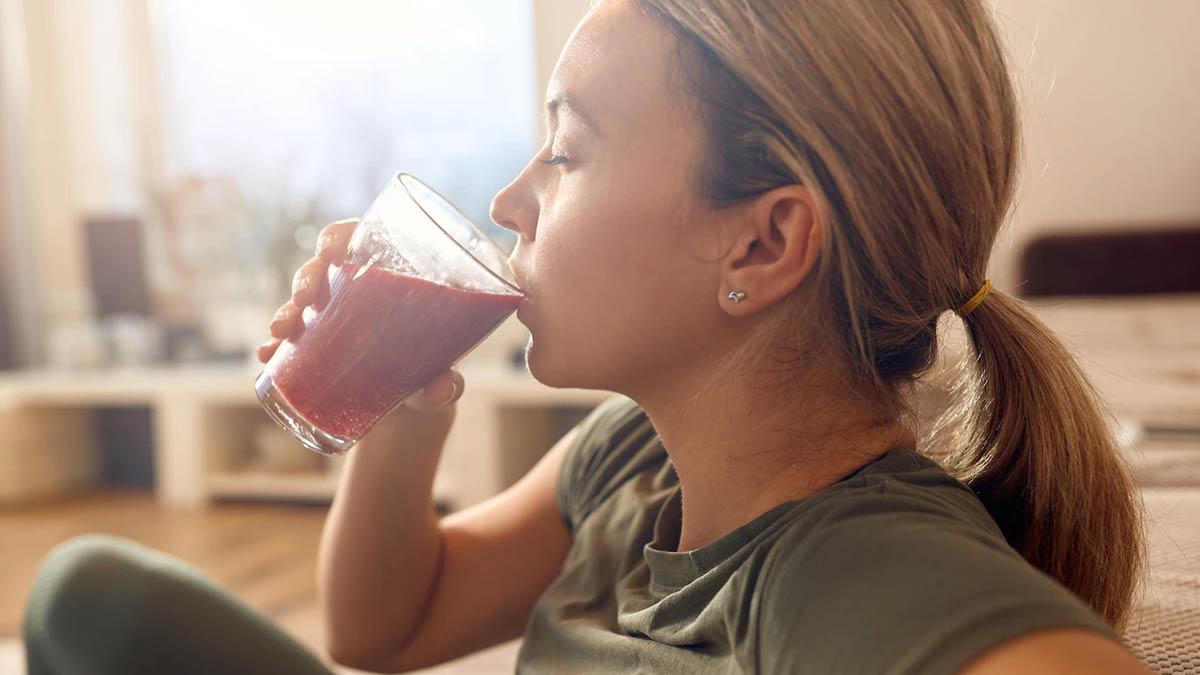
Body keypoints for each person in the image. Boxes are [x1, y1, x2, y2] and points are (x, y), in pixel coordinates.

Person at [23, 1, 1154, 673]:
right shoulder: (635, 455)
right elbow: (386, 624)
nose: (512, 200)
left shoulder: (858, 572)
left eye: (566, 152)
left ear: (761, 247)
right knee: (91, 594)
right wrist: (405, 405)